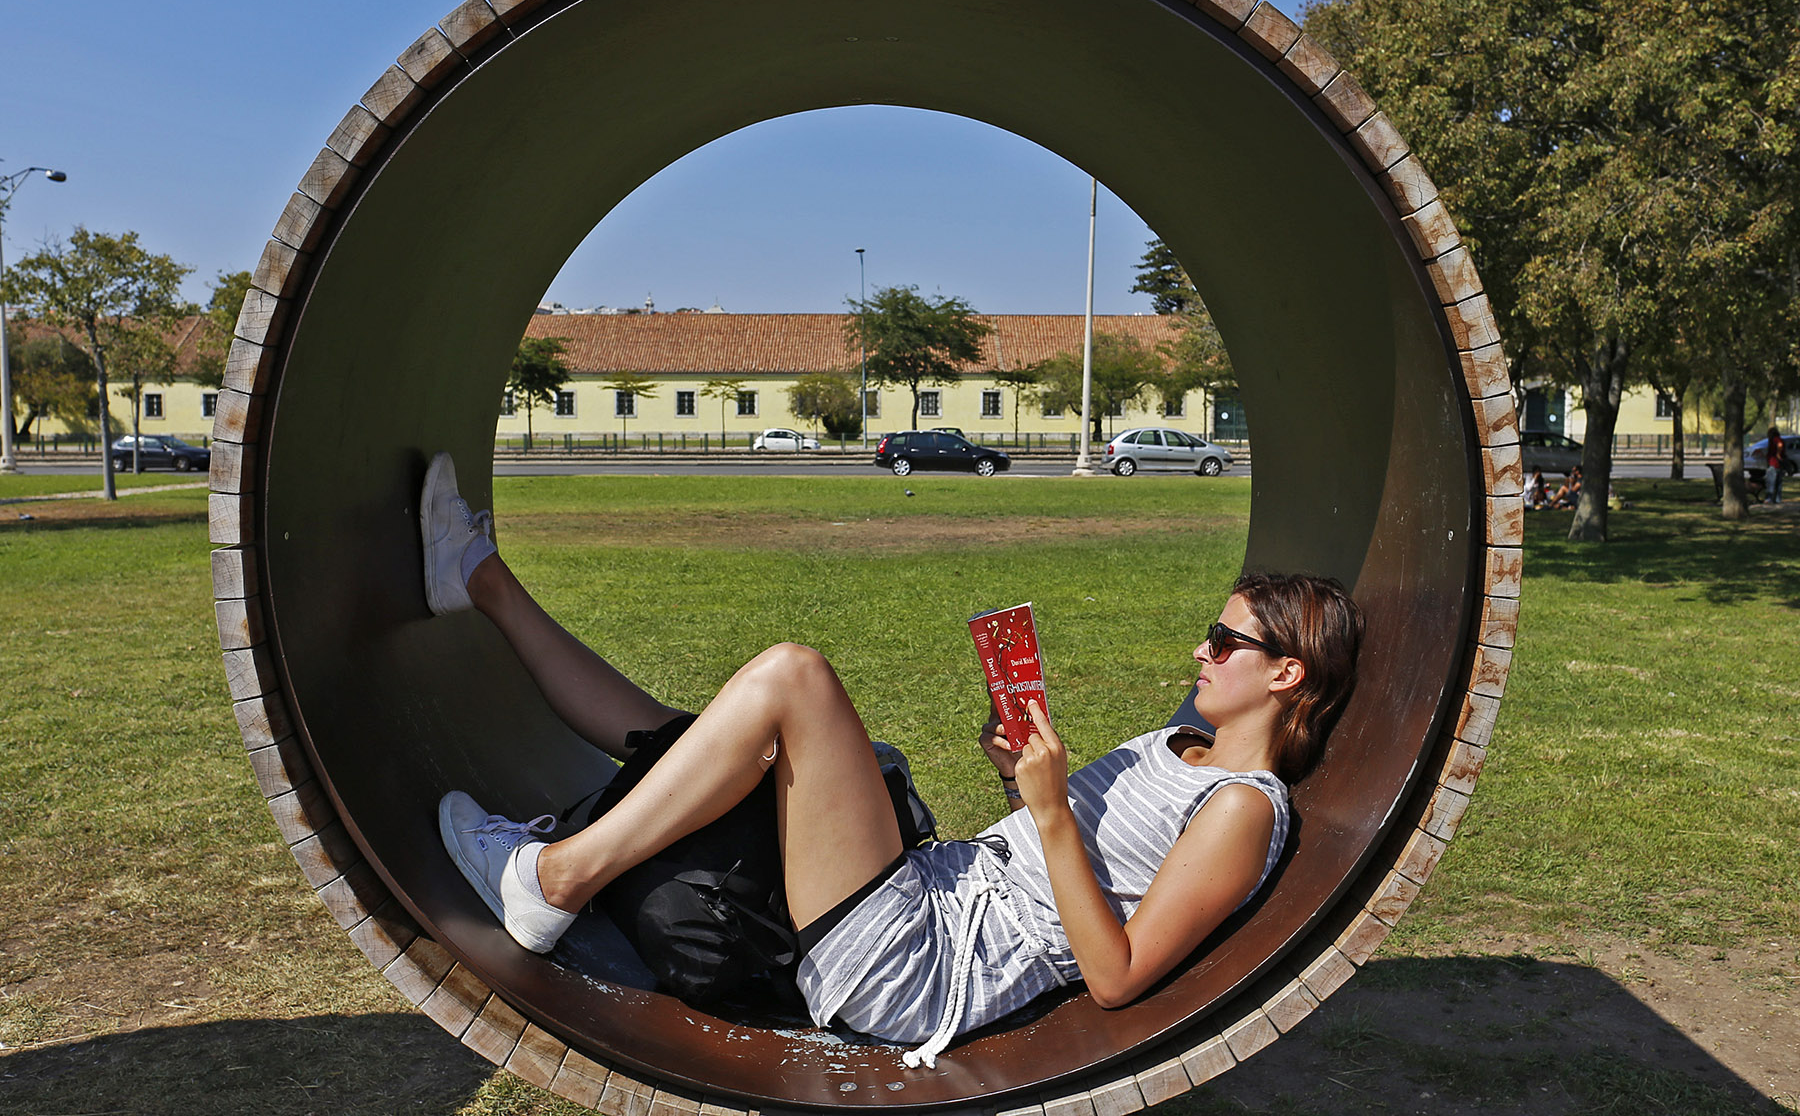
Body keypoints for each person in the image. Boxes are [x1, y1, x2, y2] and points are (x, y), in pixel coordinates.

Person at [418, 453, 1363, 1067]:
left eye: (1224, 641)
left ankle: (554, 878)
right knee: (690, 738)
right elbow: (1068, 873)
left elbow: (1115, 975)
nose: (1201, 650)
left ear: (1287, 674)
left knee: (794, 679)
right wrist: (1018, 782)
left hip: (920, 964)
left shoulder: (1243, 808)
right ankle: (481, 582)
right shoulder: (1178, 746)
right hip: (929, 892)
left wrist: (1046, 811)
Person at [1765, 427, 1785, 505]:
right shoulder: (1778, 439)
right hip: (1779, 464)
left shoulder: (1775, 439)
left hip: (1773, 464)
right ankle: (1777, 499)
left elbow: (1780, 445)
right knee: (1778, 483)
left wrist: (1778, 454)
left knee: (1771, 482)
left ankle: (1769, 498)